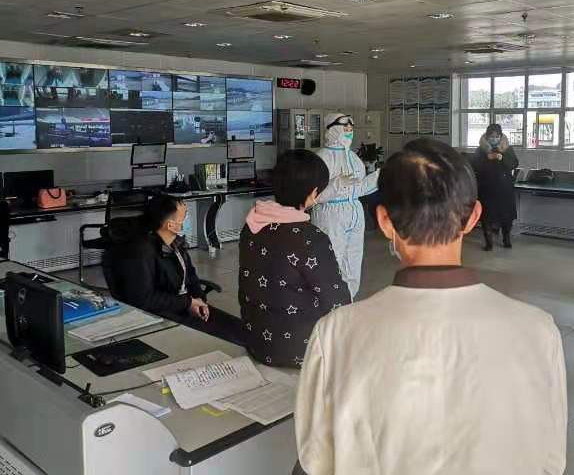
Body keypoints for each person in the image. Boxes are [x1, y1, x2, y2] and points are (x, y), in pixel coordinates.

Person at [294, 139, 567, 475]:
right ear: (473, 217)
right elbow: (551, 459)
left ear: (384, 221)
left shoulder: (336, 333)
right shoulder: (538, 330)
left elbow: (315, 458)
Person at [238, 150, 350, 368]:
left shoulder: (251, 225)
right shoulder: (311, 238)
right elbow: (335, 299)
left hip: (256, 340)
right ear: (313, 193)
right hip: (300, 349)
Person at [114, 194, 243, 345]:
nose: (188, 219)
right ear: (170, 225)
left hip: (185, 306)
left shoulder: (175, 243)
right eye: (185, 216)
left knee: (241, 329)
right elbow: (145, 299)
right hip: (165, 314)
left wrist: (200, 300)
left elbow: (191, 276)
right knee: (230, 340)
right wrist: (187, 303)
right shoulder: (141, 252)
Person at [311, 113, 379, 299]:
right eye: (344, 125)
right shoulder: (322, 158)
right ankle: (329, 304)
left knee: (353, 262)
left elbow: (358, 188)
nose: (349, 129)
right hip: (330, 216)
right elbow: (314, 197)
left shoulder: (353, 158)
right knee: (331, 262)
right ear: (331, 128)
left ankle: (347, 300)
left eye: (351, 125)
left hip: (354, 214)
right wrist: (336, 185)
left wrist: (378, 178)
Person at [473, 123, 519, 250]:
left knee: (506, 216)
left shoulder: (507, 149)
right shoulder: (481, 150)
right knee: (486, 216)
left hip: (504, 189)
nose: (494, 139)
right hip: (486, 189)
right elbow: (474, 165)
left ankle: (506, 238)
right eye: (491, 137)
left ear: (501, 136)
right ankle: (489, 242)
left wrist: (502, 158)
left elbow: (514, 164)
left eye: (497, 136)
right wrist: (487, 158)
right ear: (487, 137)